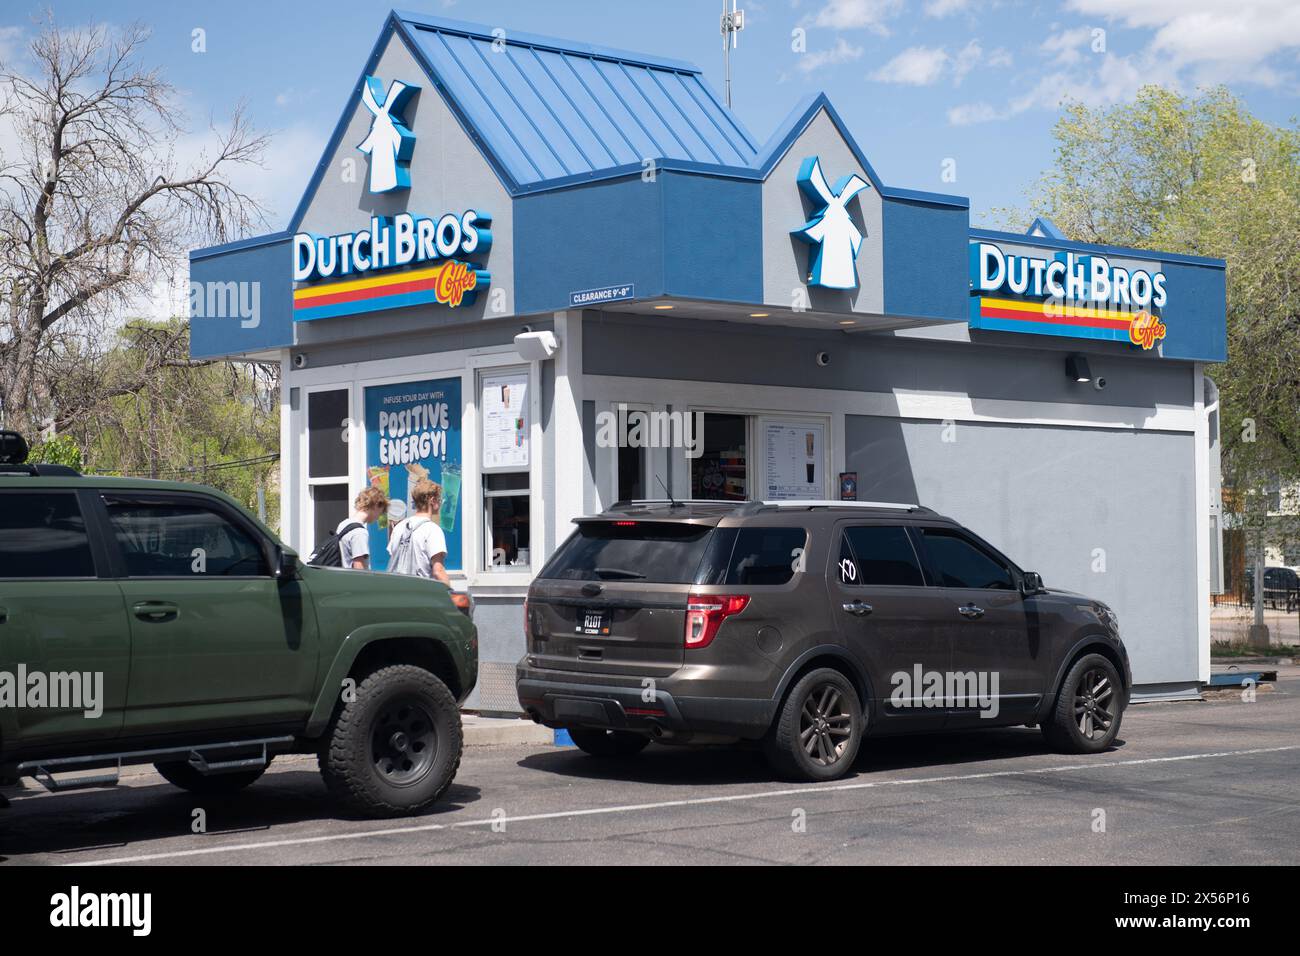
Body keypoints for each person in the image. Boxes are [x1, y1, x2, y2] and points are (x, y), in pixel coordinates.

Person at [387, 478, 452, 585]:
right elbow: (438, 571)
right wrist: (451, 595)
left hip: (397, 592)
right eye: (439, 499)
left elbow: (394, 557)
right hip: (421, 593)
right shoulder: (432, 529)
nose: (440, 503)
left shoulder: (400, 527)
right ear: (432, 500)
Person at [339, 486, 388, 570]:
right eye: (381, 511)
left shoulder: (343, 524)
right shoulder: (359, 532)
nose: (379, 516)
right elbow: (359, 567)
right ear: (376, 505)